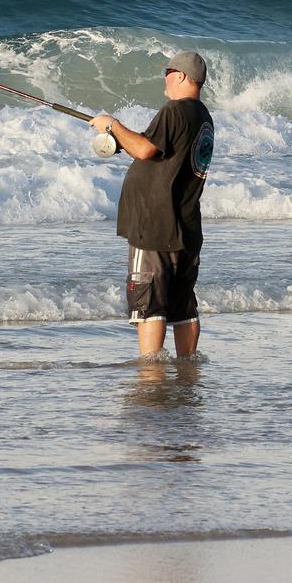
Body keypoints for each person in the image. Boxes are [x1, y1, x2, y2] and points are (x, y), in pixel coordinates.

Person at [89, 51, 214, 358]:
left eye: (168, 70)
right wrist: (122, 140)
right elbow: (158, 151)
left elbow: (145, 149)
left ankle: (151, 377)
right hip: (185, 225)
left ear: (182, 76)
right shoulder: (202, 117)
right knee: (183, 304)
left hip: (155, 225)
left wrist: (112, 125)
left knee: (149, 303)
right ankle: (187, 369)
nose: (164, 77)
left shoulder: (174, 110)